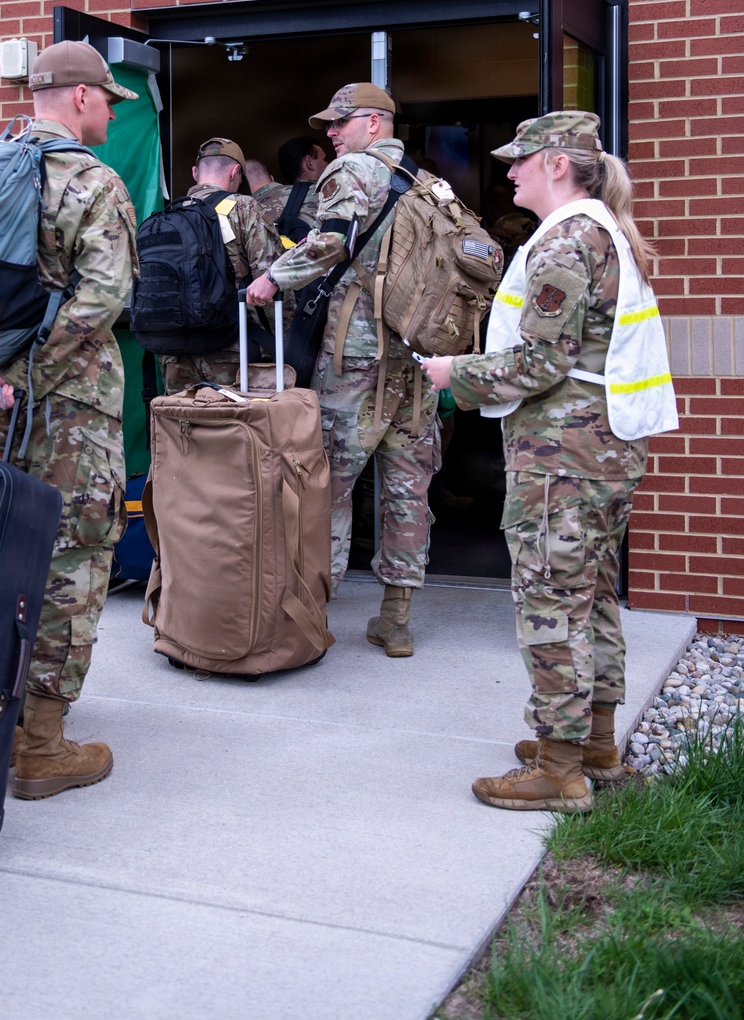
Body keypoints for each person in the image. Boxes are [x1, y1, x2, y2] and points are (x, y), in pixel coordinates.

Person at [421, 111, 678, 812]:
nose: (509, 173)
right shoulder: (606, 234)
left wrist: (455, 374)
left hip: (564, 454)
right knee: (590, 592)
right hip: (604, 449)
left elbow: (540, 361)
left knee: (549, 600)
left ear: (557, 165)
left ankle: (558, 771)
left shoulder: (565, 243)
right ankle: (593, 743)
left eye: (520, 161)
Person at [0, 40, 139, 800]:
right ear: (77, 98)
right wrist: (27, 375)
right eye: (106, 97)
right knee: (75, 558)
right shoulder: (91, 182)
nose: (109, 109)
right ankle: (41, 746)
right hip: (67, 407)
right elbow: (103, 300)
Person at [247, 84, 442, 652]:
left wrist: (272, 278)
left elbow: (330, 242)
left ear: (375, 124)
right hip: (417, 355)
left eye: (340, 123)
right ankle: (397, 619)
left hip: (354, 356)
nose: (330, 134)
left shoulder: (352, 172)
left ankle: (314, 613)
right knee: (409, 485)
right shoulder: (428, 184)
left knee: (327, 482)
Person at [160, 136, 280, 393]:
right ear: (237, 171)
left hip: (173, 352)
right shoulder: (244, 208)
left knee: (183, 427)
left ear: (195, 173)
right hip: (234, 350)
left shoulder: (168, 215)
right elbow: (271, 279)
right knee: (236, 428)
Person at [249, 136, 328, 244]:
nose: (328, 164)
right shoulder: (325, 194)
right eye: (324, 159)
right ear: (309, 162)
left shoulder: (252, 205)